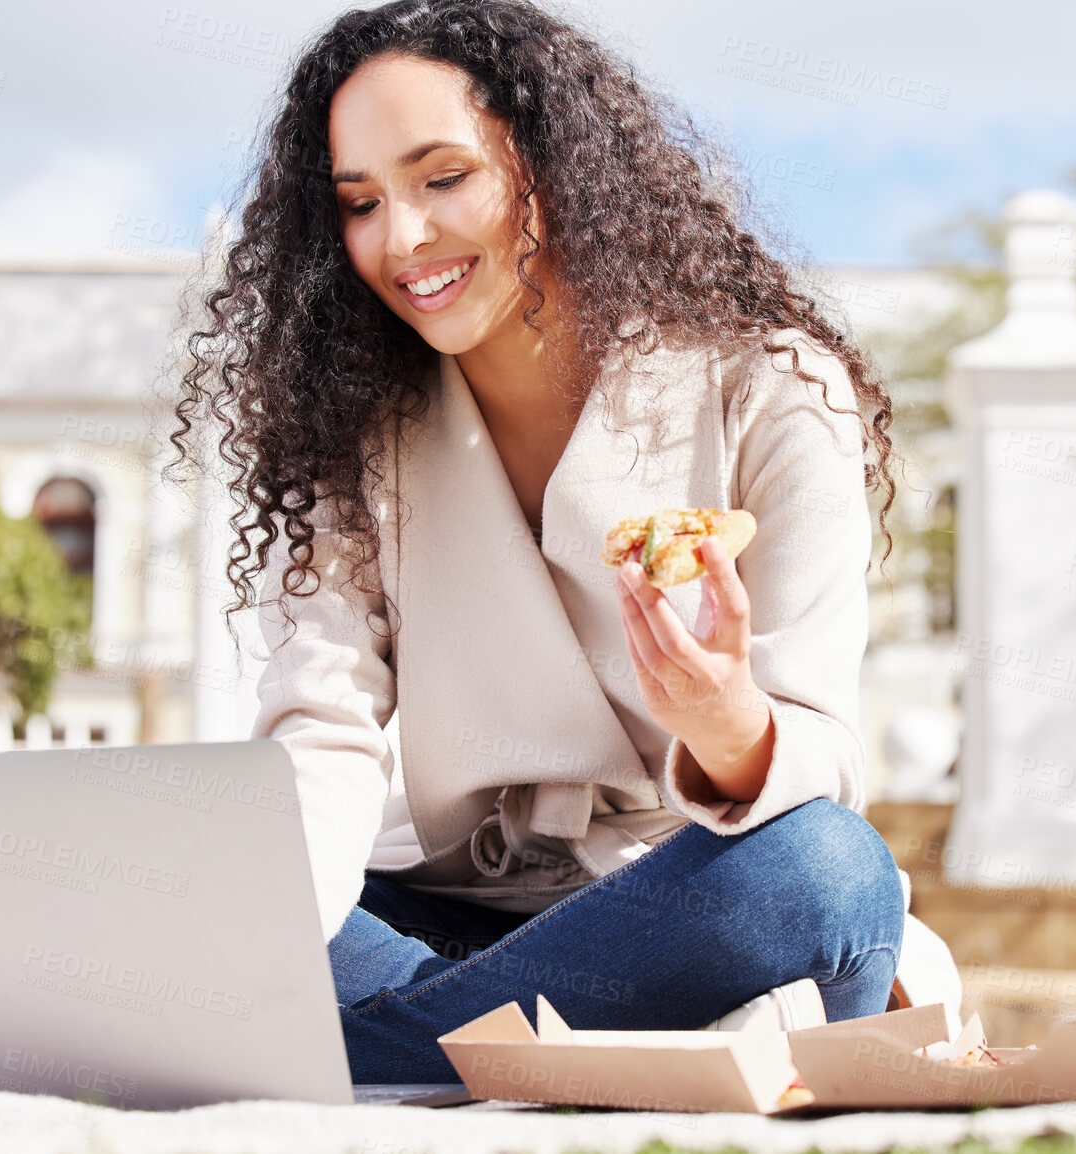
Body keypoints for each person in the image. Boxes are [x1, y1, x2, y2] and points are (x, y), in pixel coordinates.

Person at [172, 0, 917, 1084]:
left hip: (676, 908)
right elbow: (322, 728)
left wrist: (727, 724)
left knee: (828, 874)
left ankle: (339, 1050)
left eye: (443, 179)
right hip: (443, 909)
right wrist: (249, 922)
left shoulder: (775, 390)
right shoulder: (351, 420)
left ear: (551, 166)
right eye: (360, 202)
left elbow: (822, 755)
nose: (403, 239)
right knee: (198, 882)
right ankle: (544, 1057)